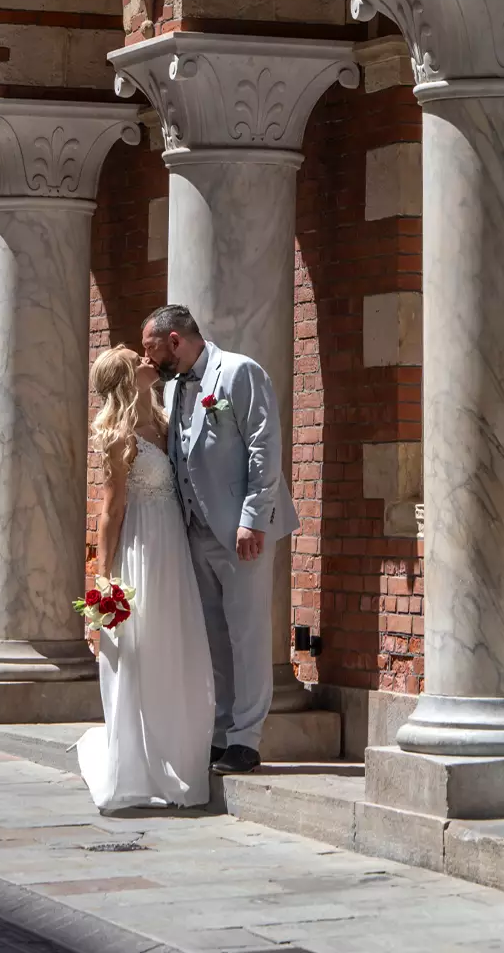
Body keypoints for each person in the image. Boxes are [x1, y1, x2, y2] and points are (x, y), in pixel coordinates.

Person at [141, 305, 299, 775]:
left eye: (150, 348)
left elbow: (264, 446)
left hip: (240, 530)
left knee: (248, 635)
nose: (147, 359)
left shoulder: (239, 372)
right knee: (214, 637)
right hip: (194, 529)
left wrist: (254, 518)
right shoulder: (172, 387)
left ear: (174, 340)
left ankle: (247, 739)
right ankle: (222, 730)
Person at [75, 345, 215, 812]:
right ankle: (137, 763)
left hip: (174, 549)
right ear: (124, 377)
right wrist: (103, 582)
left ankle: (177, 749)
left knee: (177, 647)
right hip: (141, 551)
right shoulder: (119, 436)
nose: (148, 361)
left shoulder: (164, 421)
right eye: (138, 360)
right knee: (142, 650)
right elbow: (109, 513)